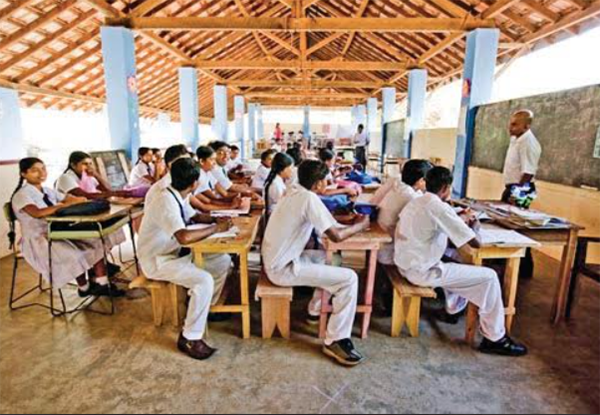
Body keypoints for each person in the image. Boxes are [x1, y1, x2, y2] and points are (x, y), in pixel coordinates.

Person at [395, 166, 528, 357]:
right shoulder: (439, 207)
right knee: (489, 277)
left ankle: (454, 309)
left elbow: (437, 221)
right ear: (446, 188)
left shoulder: (418, 201)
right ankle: (495, 338)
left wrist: (457, 218)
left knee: (459, 264)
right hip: (422, 272)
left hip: (406, 264)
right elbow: (475, 243)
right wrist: (474, 224)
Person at [262, 159, 371, 366]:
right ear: (318, 183)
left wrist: (349, 222)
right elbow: (336, 236)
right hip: (282, 269)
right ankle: (335, 340)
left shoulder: (295, 191)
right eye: (325, 181)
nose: (327, 184)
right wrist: (361, 224)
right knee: (349, 279)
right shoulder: (308, 198)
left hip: (279, 259)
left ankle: (315, 309)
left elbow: (327, 224)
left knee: (332, 259)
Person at [138, 158, 233, 360]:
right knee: (203, 280)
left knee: (222, 260)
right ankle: (190, 337)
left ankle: (208, 308)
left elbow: (194, 216)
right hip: (158, 260)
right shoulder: (164, 200)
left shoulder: (177, 194)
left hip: (175, 253)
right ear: (194, 183)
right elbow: (184, 237)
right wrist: (216, 228)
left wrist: (215, 219)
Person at [10, 158, 123, 297]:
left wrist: (74, 200)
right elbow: (37, 213)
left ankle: (102, 283)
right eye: (34, 170)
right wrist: (62, 205)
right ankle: (84, 288)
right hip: (40, 239)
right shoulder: (21, 195)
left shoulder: (47, 191)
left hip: (59, 231)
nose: (41, 173)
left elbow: (70, 198)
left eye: (43, 168)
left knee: (96, 240)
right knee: (75, 255)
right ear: (23, 174)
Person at [502, 110, 542, 279]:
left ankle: (524, 269)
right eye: (510, 123)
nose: (510, 127)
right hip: (512, 187)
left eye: (515, 124)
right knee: (506, 225)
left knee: (517, 229)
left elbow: (528, 172)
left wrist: (516, 194)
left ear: (526, 126)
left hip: (521, 189)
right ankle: (506, 262)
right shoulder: (516, 139)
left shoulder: (528, 143)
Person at [376, 160, 433, 265]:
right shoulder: (411, 197)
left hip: (383, 242)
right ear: (421, 181)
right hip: (390, 251)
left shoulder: (399, 185)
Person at [55, 151, 129, 200]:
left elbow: (107, 189)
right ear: (73, 165)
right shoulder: (65, 178)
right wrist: (116, 193)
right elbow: (86, 196)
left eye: (90, 164)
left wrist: (96, 175)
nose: (89, 167)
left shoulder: (87, 177)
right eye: (85, 164)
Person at [191, 146, 242, 212]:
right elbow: (211, 200)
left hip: (215, 206)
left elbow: (224, 194)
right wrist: (230, 205)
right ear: (202, 161)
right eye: (211, 159)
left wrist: (238, 195)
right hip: (207, 211)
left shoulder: (208, 172)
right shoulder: (199, 176)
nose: (215, 163)